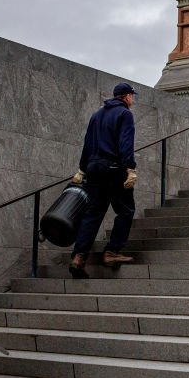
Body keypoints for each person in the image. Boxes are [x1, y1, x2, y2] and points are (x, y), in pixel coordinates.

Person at [69, 83, 139, 278]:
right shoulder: (125, 115)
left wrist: (82, 169)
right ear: (126, 97)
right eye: (132, 96)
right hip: (114, 168)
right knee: (125, 210)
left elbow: (87, 144)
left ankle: (79, 257)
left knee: (92, 214)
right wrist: (130, 168)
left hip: (94, 169)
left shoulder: (96, 115)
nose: (132, 100)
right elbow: (126, 143)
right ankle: (112, 252)